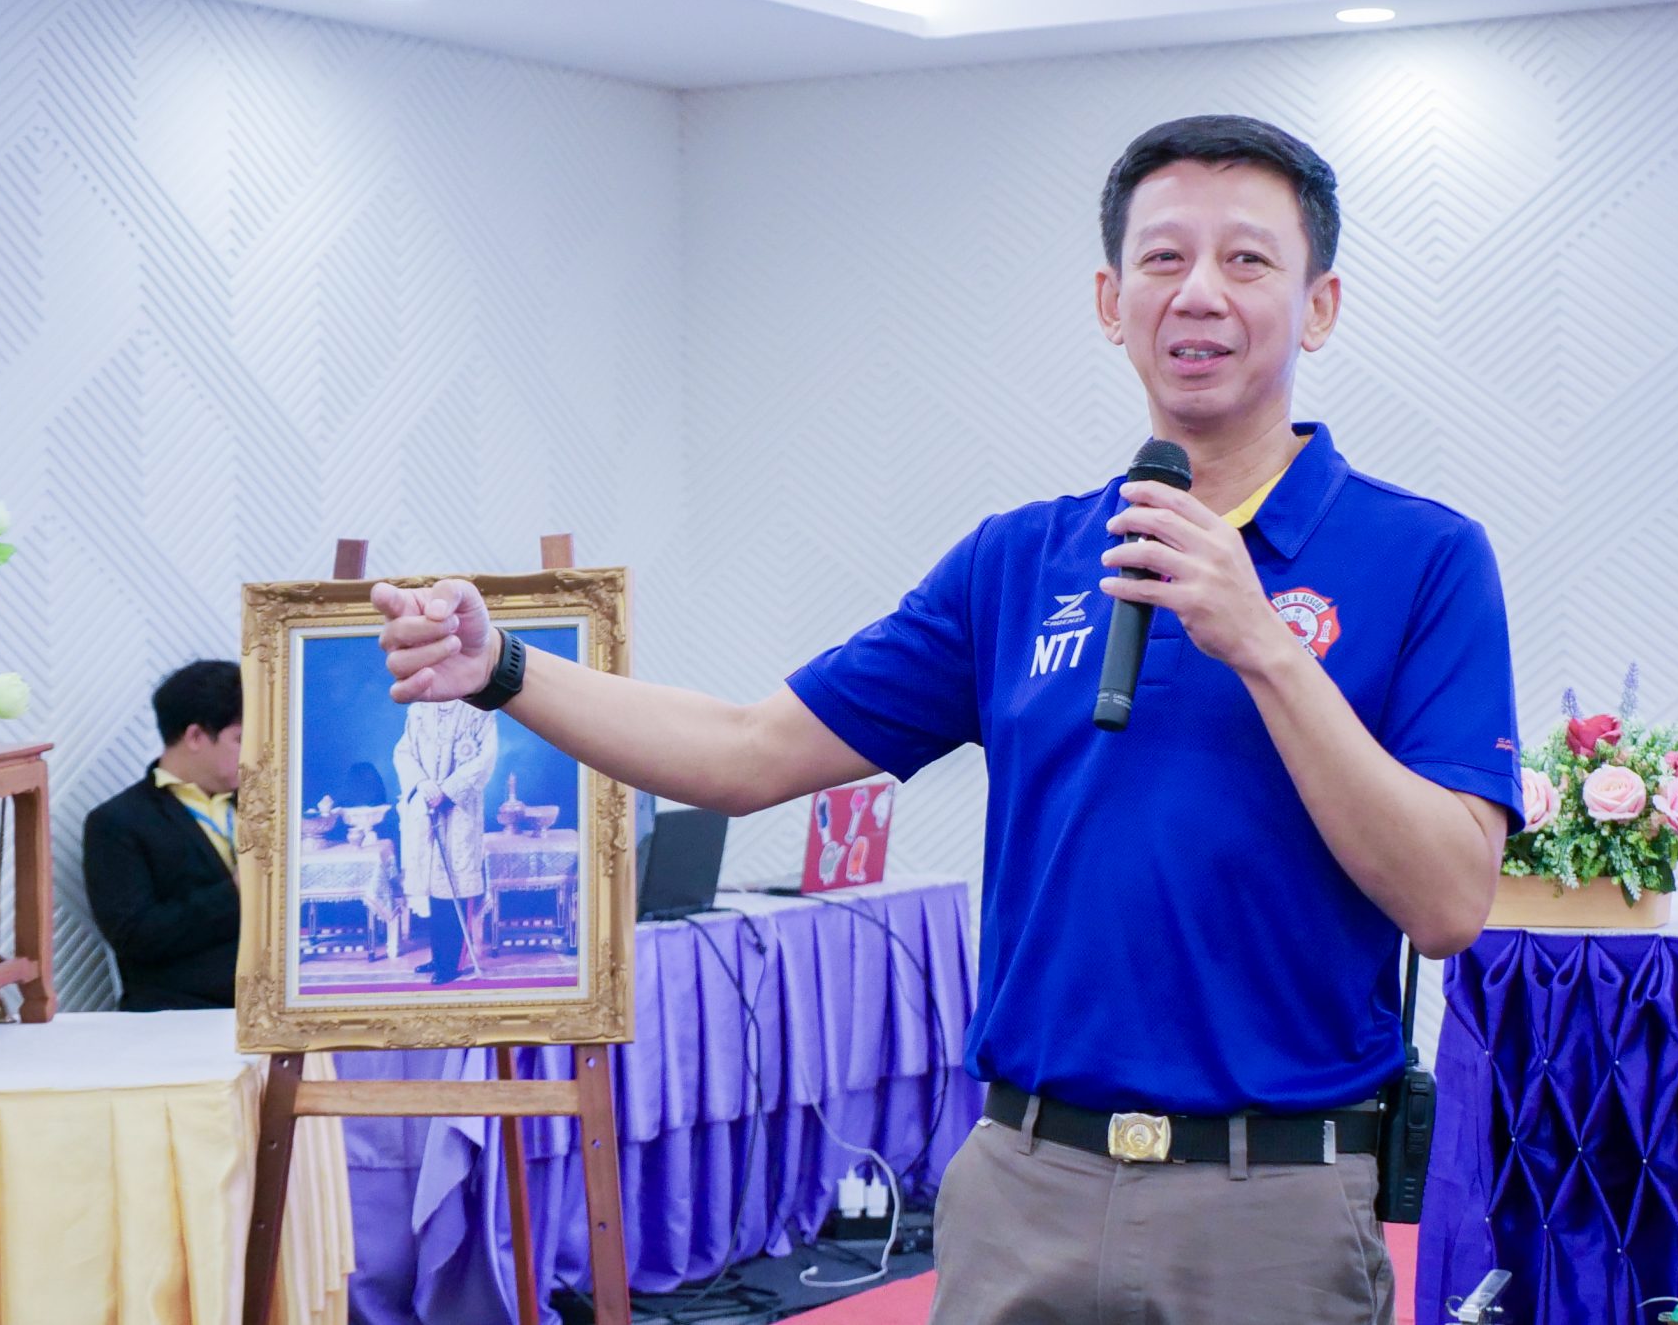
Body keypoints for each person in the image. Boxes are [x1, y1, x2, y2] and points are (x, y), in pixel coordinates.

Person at [374, 115, 1520, 1321]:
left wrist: (1265, 648)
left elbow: (1447, 902)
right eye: (1163, 257)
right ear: (1110, 300)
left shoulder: (1423, 556)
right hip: (1024, 1188)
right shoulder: (1020, 561)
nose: (1198, 292)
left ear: (1318, 305)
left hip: (1270, 1207)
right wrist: (504, 668)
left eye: (1246, 260)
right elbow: (744, 752)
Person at [84, 660, 245, 1010]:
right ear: (195, 737)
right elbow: (136, 937)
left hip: (275, 1003)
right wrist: (235, 891)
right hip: (181, 1011)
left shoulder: (263, 802)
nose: (256, 752)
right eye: (241, 739)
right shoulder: (117, 822)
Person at [392, 699, 496, 984]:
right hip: (427, 808)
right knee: (435, 888)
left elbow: (485, 759)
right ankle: (439, 956)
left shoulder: (479, 711)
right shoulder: (420, 710)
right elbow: (403, 752)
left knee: (456, 886)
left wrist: (448, 790)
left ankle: (453, 963)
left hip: (460, 812)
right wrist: (422, 783)